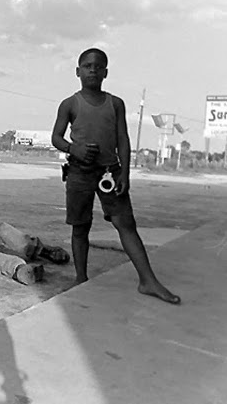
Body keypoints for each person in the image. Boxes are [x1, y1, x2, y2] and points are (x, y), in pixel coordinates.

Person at [51, 47, 180, 304]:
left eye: (98, 66)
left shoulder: (116, 103)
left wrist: (126, 173)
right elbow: (56, 137)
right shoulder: (69, 104)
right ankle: (80, 278)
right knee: (80, 226)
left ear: (106, 72)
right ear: (77, 71)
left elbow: (123, 138)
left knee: (126, 224)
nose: (92, 70)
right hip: (79, 173)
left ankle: (148, 280)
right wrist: (72, 148)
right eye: (87, 66)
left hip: (110, 172)